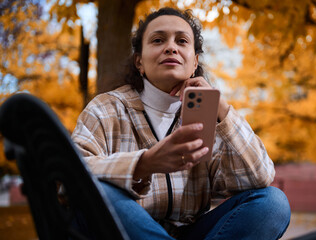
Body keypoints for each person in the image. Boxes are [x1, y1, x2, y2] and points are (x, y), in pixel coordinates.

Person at [71, 7, 291, 240]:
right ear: (139, 62)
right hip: (125, 229)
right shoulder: (106, 108)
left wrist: (223, 109)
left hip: (191, 233)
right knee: (99, 192)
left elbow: (260, 177)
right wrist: (143, 164)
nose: (171, 47)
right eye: (158, 40)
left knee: (273, 203)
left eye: (182, 41)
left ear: (194, 62)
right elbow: (69, 177)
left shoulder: (208, 117)